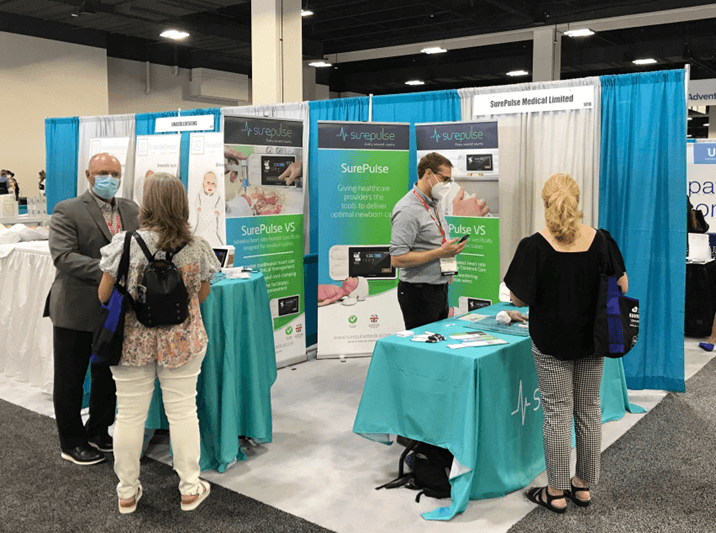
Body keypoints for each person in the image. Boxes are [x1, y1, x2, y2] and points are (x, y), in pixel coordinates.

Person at [504, 172, 628, 513]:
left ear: (545, 204)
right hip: (593, 341)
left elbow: (517, 299)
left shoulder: (533, 246)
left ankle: (555, 492)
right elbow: (622, 286)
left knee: (557, 415)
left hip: (551, 343)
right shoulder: (601, 240)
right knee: (588, 410)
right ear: (578, 201)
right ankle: (583, 487)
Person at [98, 172, 220, 514]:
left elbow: (103, 295)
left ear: (146, 204)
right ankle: (190, 487)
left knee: (129, 415)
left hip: (131, 344)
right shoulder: (197, 247)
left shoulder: (124, 243)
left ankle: (126, 492)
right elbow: (202, 295)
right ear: (182, 204)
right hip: (183, 341)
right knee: (183, 412)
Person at [45, 153, 139, 465]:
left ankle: (99, 430)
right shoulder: (67, 209)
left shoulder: (131, 209)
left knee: (107, 376)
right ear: (88, 175)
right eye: (103, 173)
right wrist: (110, 271)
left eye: (115, 173)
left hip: (115, 309)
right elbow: (63, 256)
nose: (109, 179)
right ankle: (71, 442)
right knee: (70, 378)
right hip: (75, 308)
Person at [389, 152, 466, 330]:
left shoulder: (434, 203)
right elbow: (396, 259)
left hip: (439, 289)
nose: (447, 184)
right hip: (418, 293)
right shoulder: (407, 209)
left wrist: (448, 257)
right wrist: (440, 253)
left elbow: (437, 241)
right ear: (428, 174)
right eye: (444, 179)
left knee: (440, 340)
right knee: (424, 344)